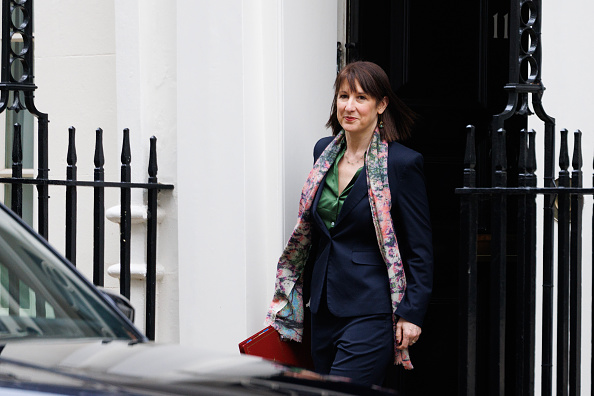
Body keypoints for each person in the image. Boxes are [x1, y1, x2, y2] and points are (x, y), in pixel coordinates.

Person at [266, 61, 433, 387]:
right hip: (322, 309)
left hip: (370, 310)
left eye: (361, 98)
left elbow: (420, 250)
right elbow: (316, 232)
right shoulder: (323, 152)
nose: (349, 106)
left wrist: (412, 313)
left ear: (381, 104)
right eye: (343, 96)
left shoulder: (402, 164)